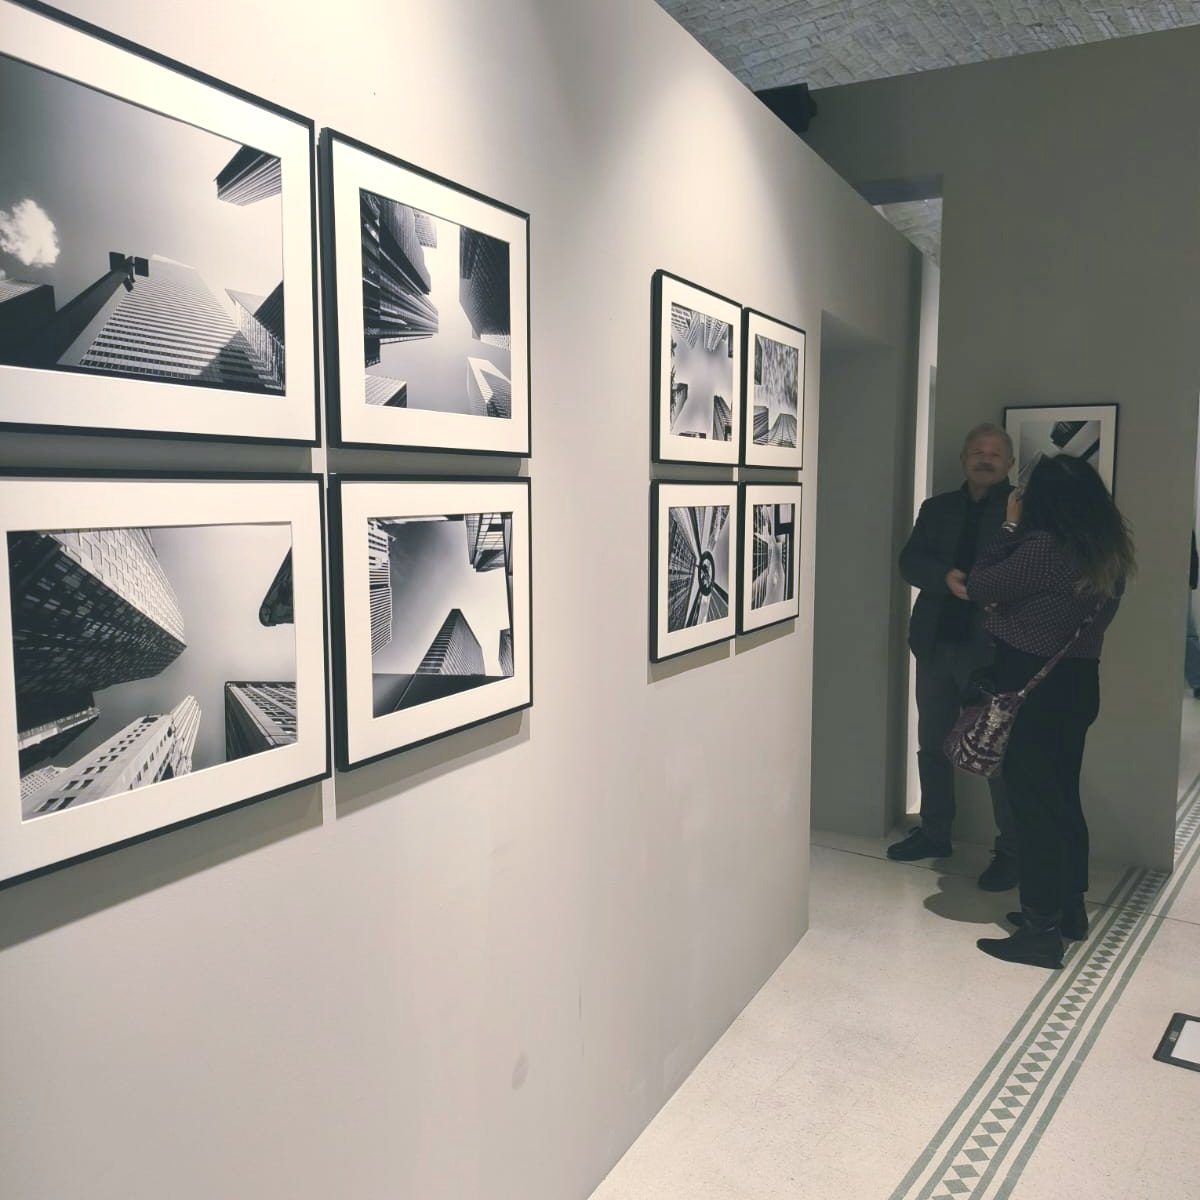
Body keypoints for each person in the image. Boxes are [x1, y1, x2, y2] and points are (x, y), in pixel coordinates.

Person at [968, 453, 1133, 969]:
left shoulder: (1041, 546)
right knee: (1062, 797)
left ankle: (1040, 930)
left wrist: (1009, 525)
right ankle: (1069, 911)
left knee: (1033, 808)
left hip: (1030, 688)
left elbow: (981, 583)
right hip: (1078, 685)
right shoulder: (1108, 551)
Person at [890, 423, 1019, 891]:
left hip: (993, 653)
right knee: (932, 743)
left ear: (1009, 462)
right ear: (964, 457)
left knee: (996, 753)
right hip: (935, 644)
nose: (985, 458)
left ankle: (1011, 851)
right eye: (977, 451)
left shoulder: (1022, 511)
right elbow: (909, 562)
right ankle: (935, 831)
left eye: (994, 453)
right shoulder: (937, 507)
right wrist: (943, 577)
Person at [1185, 532, 1200, 697]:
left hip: (1184, 578)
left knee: (1187, 633)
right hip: (1185, 578)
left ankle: (1198, 678)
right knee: (1187, 633)